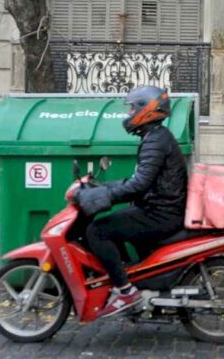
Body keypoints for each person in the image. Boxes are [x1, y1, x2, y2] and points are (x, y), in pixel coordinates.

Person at [74, 86, 188, 318]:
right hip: (161, 208)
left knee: (97, 231)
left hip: (161, 214)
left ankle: (125, 291)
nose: (128, 115)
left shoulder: (155, 140)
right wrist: (105, 187)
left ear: (145, 110)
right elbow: (141, 180)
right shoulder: (156, 137)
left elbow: (140, 185)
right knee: (115, 222)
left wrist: (106, 196)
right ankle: (131, 278)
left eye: (131, 109)